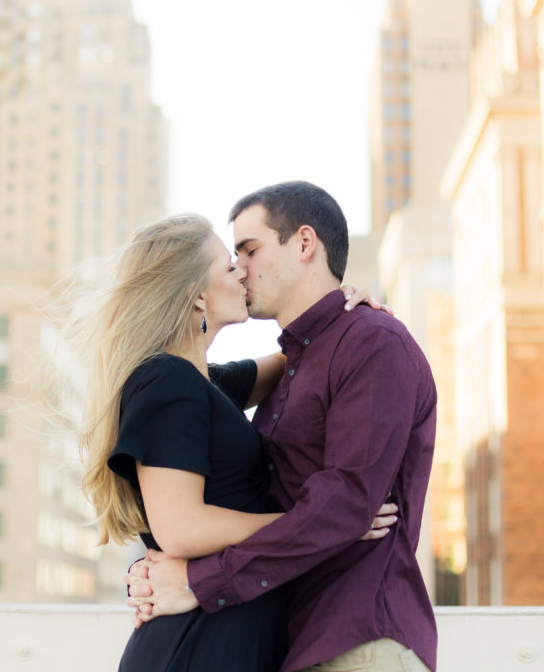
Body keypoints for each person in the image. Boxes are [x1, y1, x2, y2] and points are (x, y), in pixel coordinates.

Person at [128, 182, 438, 672]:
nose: (240, 269)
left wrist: (198, 580)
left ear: (304, 243)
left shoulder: (373, 342)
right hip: (284, 640)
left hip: (356, 639)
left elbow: (347, 505)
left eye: (250, 250)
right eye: (231, 258)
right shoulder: (274, 371)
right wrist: (154, 569)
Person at [72, 213, 395, 672]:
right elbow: (181, 528)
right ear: (197, 296)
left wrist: (345, 306)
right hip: (200, 644)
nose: (242, 271)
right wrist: (323, 524)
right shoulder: (166, 381)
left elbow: (299, 356)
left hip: (226, 633)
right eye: (228, 266)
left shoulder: (206, 384)